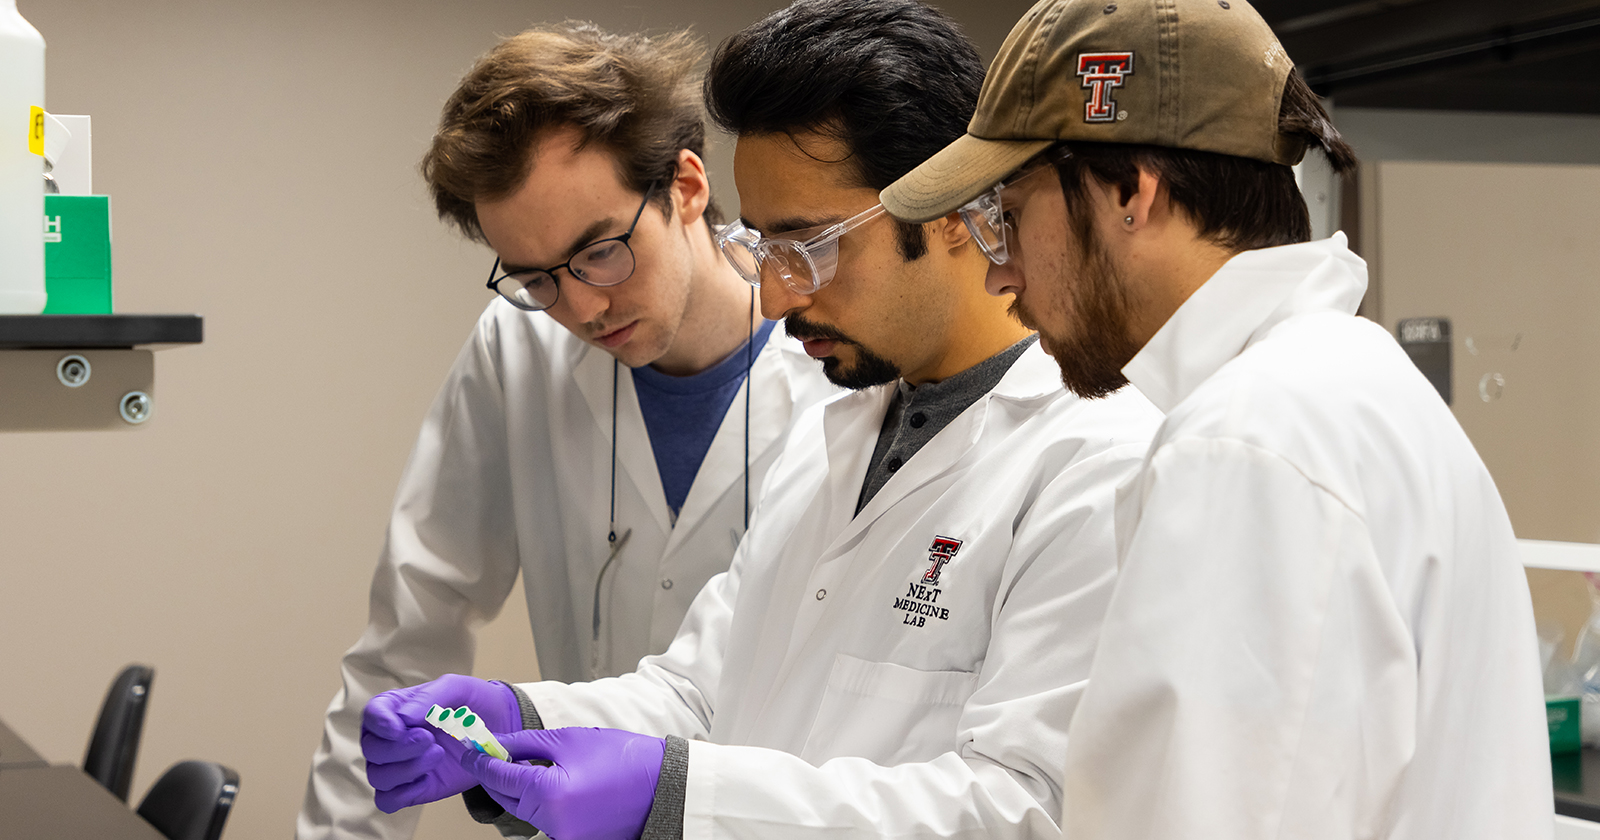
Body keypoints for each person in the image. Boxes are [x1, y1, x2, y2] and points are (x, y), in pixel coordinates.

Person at [357, 2, 1163, 840]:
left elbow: (1026, 808)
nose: (775, 296)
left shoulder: (1097, 461)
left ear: (953, 203)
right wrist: (516, 716)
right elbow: (704, 691)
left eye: (810, 245)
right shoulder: (842, 435)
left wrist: (675, 796)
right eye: (766, 248)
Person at [882, 0, 1553, 837]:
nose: (998, 276)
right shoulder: (1353, 389)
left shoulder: (1248, 441)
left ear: (1132, 190)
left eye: (1008, 219)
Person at [297, 23, 838, 840]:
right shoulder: (520, 347)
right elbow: (409, 637)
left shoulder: (846, 373)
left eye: (601, 252)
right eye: (536, 278)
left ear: (686, 187)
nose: (581, 307)